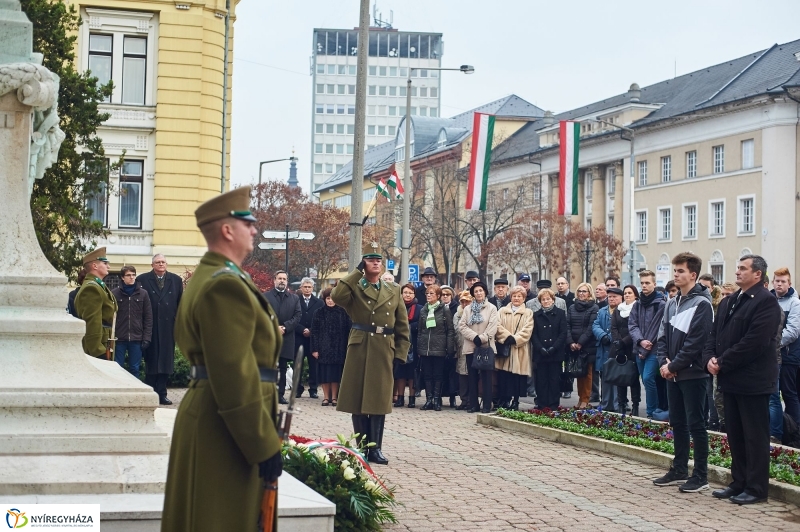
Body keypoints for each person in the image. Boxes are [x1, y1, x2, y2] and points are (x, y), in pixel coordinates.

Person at [161, 186, 283, 532]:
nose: (255, 230)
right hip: (225, 425)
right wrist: (262, 443)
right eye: (248, 223)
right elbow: (234, 374)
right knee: (221, 519)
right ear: (228, 230)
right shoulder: (224, 285)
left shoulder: (217, 277)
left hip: (219, 418)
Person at [704, 255, 782, 504]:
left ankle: (756, 488)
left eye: (742, 269)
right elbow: (714, 334)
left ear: (757, 274)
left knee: (754, 437)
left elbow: (754, 342)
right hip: (730, 379)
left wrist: (723, 361)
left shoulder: (766, 302)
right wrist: (710, 358)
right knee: (735, 434)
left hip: (753, 381)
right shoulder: (730, 300)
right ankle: (738, 482)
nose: (737, 272)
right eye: (737, 268)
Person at [332, 242, 411, 465]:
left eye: (378, 260)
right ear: (363, 263)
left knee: (378, 400)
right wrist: (356, 272)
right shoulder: (354, 287)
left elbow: (402, 325)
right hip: (360, 346)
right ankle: (363, 448)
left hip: (383, 347)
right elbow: (337, 296)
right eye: (370, 259)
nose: (376, 262)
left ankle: (375, 449)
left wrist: (400, 354)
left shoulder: (393, 290)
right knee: (357, 399)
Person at [653, 252, 713, 494]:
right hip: (672, 373)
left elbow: (696, 343)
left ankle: (701, 475)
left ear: (693, 275)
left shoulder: (703, 305)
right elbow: (661, 337)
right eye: (674, 270)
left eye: (680, 271)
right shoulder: (671, 303)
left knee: (696, 424)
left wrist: (674, 365)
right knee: (677, 422)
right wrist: (663, 363)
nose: (675, 274)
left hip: (693, 374)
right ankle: (679, 469)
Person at [138, 254, 183, 405]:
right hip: (150, 327)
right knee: (151, 360)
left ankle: (162, 393)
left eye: (163, 262)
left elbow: (180, 303)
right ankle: (150, 393)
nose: (161, 264)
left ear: (167, 264)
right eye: (157, 262)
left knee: (165, 361)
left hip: (168, 327)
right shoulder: (143, 280)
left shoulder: (176, 280)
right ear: (152, 265)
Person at [628, 270, 667, 419]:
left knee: (648, 378)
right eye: (642, 283)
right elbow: (632, 325)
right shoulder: (637, 304)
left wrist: (647, 344)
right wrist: (640, 341)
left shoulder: (661, 304)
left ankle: (652, 412)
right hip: (639, 347)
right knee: (645, 380)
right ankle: (655, 408)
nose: (644, 286)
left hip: (654, 349)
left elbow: (658, 328)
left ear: (654, 284)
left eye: (647, 283)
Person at [458, 281, 499, 413]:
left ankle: (487, 405)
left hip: (486, 346)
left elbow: (493, 326)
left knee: (487, 377)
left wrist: (481, 338)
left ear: (485, 292)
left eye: (481, 290)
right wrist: (474, 337)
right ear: (473, 294)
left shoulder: (492, 308)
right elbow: (462, 326)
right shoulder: (468, 309)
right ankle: (473, 404)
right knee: (472, 377)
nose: (478, 293)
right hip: (471, 346)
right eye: (476, 291)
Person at [264, 271, 301, 405]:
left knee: (283, 367)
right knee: (269, 366)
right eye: (279, 278)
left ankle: (280, 395)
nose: (282, 281)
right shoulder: (266, 297)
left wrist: (285, 327)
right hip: (270, 337)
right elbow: (262, 314)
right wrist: (275, 327)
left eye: (284, 279)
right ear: (274, 280)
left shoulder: (294, 298)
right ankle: (268, 394)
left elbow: (297, 316)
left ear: (287, 281)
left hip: (287, 337)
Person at [417, 285, 456, 411]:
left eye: (431, 293)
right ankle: (428, 400)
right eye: (427, 293)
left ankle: (436, 400)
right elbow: (421, 330)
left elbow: (450, 330)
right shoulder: (423, 310)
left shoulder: (444, 310)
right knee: (427, 374)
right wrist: (419, 347)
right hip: (426, 348)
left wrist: (449, 349)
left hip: (439, 347)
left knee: (438, 375)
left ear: (438, 296)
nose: (428, 295)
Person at [74, 247, 118, 358]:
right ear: (95, 266)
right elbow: (92, 322)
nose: (108, 266)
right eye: (105, 263)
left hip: (105, 342)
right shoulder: (92, 289)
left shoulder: (98, 285)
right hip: (98, 347)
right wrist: (98, 350)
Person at [495, 286, 534, 410]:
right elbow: (497, 325)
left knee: (518, 378)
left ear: (524, 298)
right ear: (510, 297)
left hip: (520, 350)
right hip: (505, 348)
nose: (516, 298)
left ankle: (516, 401)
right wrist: (506, 337)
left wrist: (516, 339)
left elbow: (528, 329)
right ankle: (505, 400)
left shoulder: (528, 312)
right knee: (504, 377)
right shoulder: (502, 311)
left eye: (519, 296)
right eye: (514, 296)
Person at [310, 288, 351, 406]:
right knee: (324, 374)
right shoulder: (319, 312)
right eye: (328, 298)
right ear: (324, 299)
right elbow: (314, 332)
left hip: (339, 348)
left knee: (336, 374)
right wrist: (314, 349)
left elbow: (349, 331)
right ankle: (326, 397)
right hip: (323, 349)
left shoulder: (343, 312)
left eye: (332, 298)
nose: (330, 301)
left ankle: (334, 397)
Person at [111, 265, 153, 377]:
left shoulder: (143, 294)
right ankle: (118, 392)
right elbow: (110, 315)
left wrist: (147, 338)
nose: (132, 277)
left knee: (134, 368)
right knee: (117, 367)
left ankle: (136, 393)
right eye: (128, 275)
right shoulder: (114, 293)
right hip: (119, 338)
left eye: (133, 275)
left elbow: (148, 317)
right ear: (122, 278)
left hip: (136, 338)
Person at [772, 268, 800, 428]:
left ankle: (795, 430)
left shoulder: (794, 303)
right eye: (777, 281)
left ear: (789, 284)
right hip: (772, 357)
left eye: (783, 281)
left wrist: (771, 344)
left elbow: (793, 331)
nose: (779, 284)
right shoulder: (769, 300)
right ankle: (779, 429)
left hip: (788, 356)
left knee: (789, 394)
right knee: (773, 396)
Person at [566, 282, 598, 409]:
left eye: (584, 291)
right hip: (573, 345)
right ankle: (580, 398)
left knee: (587, 373)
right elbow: (567, 325)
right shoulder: (572, 308)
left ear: (589, 293)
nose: (581, 294)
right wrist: (571, 342)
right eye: (579, 291)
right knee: (578, 373)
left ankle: (586, 399)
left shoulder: (594, 308)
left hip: (587, 346)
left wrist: (580, 343)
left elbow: (591, 327)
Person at [612, 285, 641, 415]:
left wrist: (624, 342)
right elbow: (614, 327)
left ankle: (635, 406)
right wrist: (618, 342)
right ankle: (621, 405)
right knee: (620, 377)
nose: (627, 295)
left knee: (633, 378)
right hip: (619, 349)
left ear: (635, 294)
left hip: (632, 347)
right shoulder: (618, 309)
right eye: (625, 293)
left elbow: (636, 327)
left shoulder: (638, 308)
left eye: (630, 292)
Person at [593, 286, 622, 411]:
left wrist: (610, 337)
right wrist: (602, 335)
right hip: (603, 348)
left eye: (614, 297)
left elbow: (621, 328)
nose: (611, 299)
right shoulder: (602, 311)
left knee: (616, 376)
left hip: (616, 348)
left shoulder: (623, 311)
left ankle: (617, 405)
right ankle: (605, 404)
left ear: (620, 298)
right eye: (610, 297)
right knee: (604, 376)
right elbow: (595, 325)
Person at [295, 277, 324, 399]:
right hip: (299, 337)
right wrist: (302, 329)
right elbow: (292, 317)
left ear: (313, 288)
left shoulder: (319, 302)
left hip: (314, 338)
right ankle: (298, 389)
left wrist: (311, 330)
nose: (307, 289)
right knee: (298, 364)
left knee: (314, 364)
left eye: (309, 287)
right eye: (305, 287)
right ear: (301, 288)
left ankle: (313, 389)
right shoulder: (295, 301)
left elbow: (322, 320)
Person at [393, 283, 421, 408]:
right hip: (399, 342)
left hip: (414, 343)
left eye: (410, 293)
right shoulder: (396, 306)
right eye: (405, 292)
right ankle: (400, 398)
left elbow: (422, 324)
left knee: (412, 373)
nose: (407, 295)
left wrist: (409, 327)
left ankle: (412, 398)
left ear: (414, 294)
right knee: (400, 372)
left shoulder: (420, 308)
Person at [440, 285, 460, 407]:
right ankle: (440, 397)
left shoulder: (456, 308)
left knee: (452, 372)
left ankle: (452, 397)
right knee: (441, 372)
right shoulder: (438, 308)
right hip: (440, 343)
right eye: (443, 295)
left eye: (448, 294)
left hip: (453, 343)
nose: (445, 297)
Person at [454, 290, 473, 410]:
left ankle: (472, 400)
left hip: (472, 347)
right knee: (462, 375)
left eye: (467, 301)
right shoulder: (457, 314)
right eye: (463, 302)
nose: (465, 304)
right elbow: (457, 329)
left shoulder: (475, 313)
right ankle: (464, 399)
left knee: (472, 374)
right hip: (461, 347)